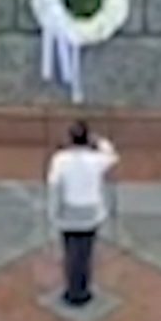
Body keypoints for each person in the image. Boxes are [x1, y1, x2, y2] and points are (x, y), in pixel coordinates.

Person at [46, 121, 119, 307]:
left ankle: (72, 290)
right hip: (90, 212)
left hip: (68, 211)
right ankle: (83, 289)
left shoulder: (60, 159)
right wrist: (99, 141)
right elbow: (112, 156)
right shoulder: (96, 160)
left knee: (70, 252)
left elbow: (54, 186)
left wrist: (53, 213)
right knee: (85, 253)